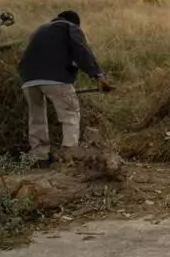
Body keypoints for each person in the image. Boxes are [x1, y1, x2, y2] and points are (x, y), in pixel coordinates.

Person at [18, 10, 112, 167]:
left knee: (36, 118)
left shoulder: (39, 30)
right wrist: (98, 75)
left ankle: (39, 157)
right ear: (75, 22)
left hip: (28, 79)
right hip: (56, 78)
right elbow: (82, 52)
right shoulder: (70, 28)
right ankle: (68, 157)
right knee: (70, 115)